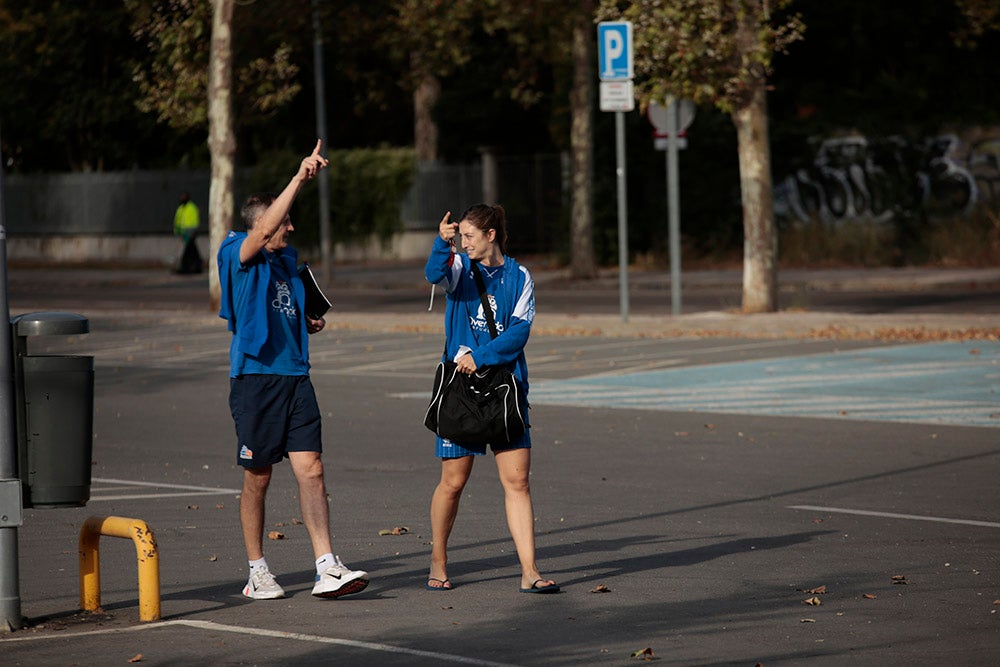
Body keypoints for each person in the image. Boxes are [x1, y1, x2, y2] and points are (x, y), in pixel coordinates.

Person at [217, 140, 369, 600]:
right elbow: (262, 231)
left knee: (312, 469)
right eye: (285, 219)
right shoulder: (234, 253)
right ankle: (257, 570)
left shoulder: (287, 261)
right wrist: (300, 177)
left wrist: (306, 322)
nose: (291, 226)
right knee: (258, 476)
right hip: (256, 379)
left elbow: (282, 307)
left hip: (296, 377)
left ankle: (327, 566)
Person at [423, 204, 559, 594]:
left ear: (490, 235)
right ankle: (438, 560)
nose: (463, 242)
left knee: (518, 480)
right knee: (453, 480)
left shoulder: (520, 276)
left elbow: (519, 333)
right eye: (460, 235)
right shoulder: (459, 267)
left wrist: (478, 357)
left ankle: (530, 571)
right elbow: (434, 274)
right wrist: (441, 241)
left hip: (505, 386)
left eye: (468, 236)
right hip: (461, 391)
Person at [173, 191, 203, 274]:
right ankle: (188, 266)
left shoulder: (191, 207)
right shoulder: (181, 208)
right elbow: (177, 220)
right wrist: (177, 231)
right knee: (189, 250)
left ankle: (186, 267)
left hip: (190, 232)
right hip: (183, 233)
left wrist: (193, 231)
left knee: (187, 250)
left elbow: (195, 220)